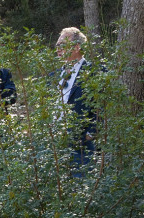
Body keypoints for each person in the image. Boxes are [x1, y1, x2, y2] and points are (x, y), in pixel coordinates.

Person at [53, 27, 98, 175]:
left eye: (62, 45)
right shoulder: (54, 75)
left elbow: (102, 107)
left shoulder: (93, 72)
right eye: (57, 45)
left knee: (81, 187)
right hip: (55, 144)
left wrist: (91, 133)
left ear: (77, 47)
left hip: (81, 145)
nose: (57, 49)